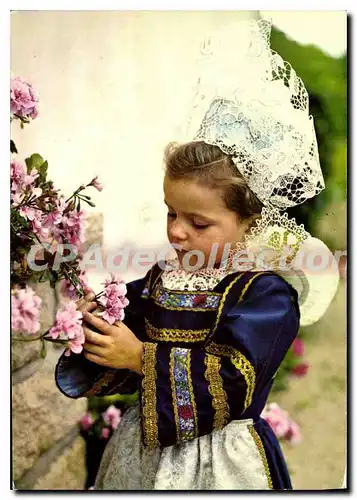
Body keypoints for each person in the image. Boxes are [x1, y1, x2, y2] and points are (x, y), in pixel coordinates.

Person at [55, 18, 339, 490]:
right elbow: (130, 318)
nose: (177, 232)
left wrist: (140, 359)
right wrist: (96, 322)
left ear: (249, 220)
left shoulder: (265, 292)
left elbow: (233, 377)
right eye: (171, 214)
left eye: (199, 223)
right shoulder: (168, 275)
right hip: (143, 455)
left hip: (222, 463)